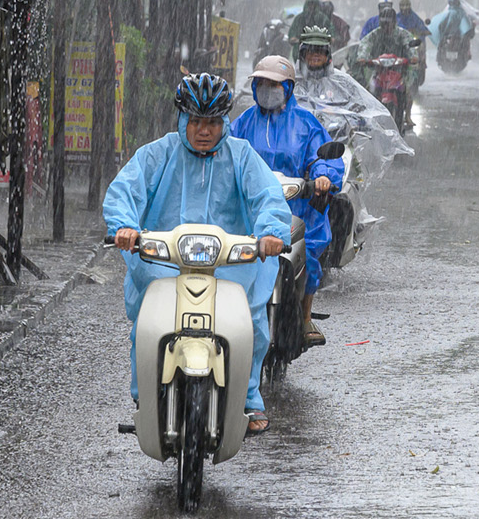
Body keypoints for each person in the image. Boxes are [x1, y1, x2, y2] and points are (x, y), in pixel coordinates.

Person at [102, 73, 292, 435]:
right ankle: (146, 393)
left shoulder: (242, 156)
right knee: (148, 324)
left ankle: (248, 398)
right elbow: (126, 188)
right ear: (182, 120)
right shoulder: (158, 153)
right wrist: (124, 226)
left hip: (230, 266)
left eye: (213, 122)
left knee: (251, 325)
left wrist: (270, 233)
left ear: (225, 123)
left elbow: (268, 195)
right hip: (164, 262)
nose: (204, 130)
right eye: (196, 122)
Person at [229, 55, 346, 344]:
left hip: (296, 206)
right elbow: (227, 154)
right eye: (262, 83)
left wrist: (322, 177)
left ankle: (305, 317)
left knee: (309, 258)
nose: (267, 89)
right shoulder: (243, 123)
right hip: (252, 207)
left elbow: (321, 155)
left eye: (275, 84)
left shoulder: (305, 123)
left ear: (289, 88)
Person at [294, 26, 413, 181]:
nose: (315, 55)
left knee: (351, 184)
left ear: (328, 55)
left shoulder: (343, 82)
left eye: (320, 51)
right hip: (298, 145)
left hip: (337, 144)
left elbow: (360, 107)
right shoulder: (290, 81)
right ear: (302, 54)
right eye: (310, 51)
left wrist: (360, 121)